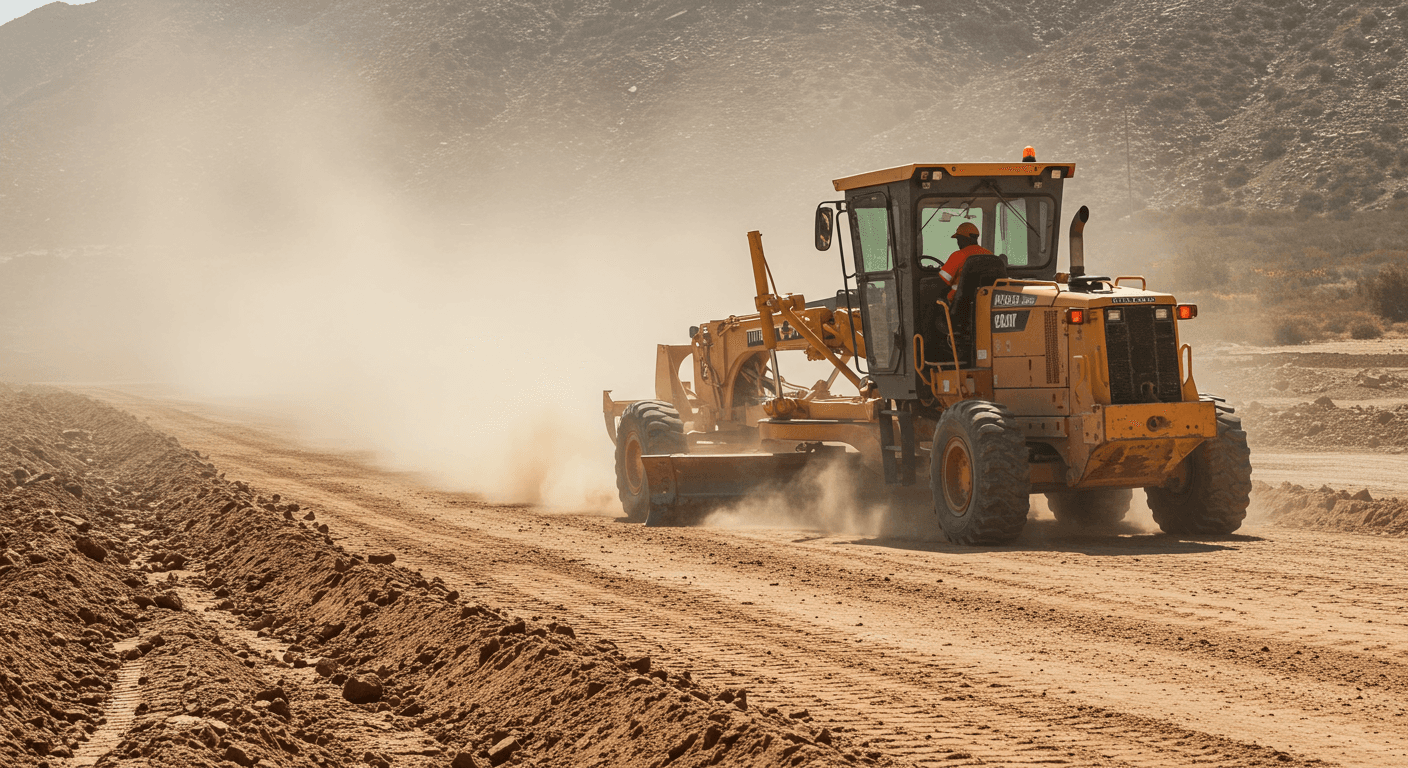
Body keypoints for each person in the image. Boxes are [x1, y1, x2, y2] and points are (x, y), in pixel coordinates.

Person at [939, 221, 993, 302]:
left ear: (962, 238)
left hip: (960, 305)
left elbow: (942, 282)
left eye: (958, 239)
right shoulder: (990, 255)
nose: (958, 242)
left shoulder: (958, 255)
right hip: (985, 302)